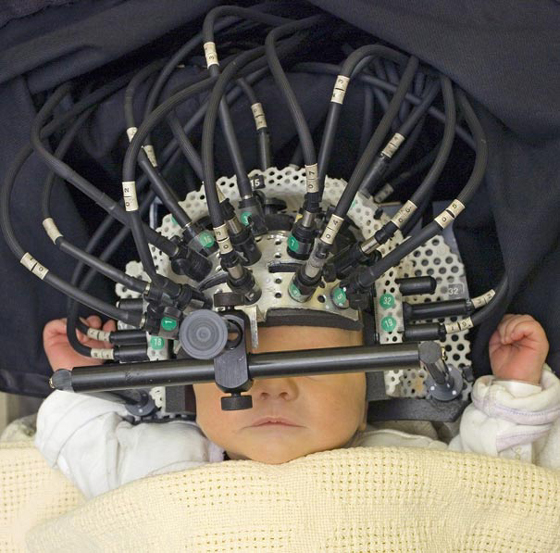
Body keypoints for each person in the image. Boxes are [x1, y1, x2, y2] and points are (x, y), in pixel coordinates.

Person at [35, 313, 560, 500]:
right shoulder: (160, 465)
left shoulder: (407, 460)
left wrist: (514, 388)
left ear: (372, 384)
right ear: (185, 389)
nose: (273, 387)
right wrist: (88, 378)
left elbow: (495, 483)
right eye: (238, 367)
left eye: (313, 363)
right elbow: (85, 444)